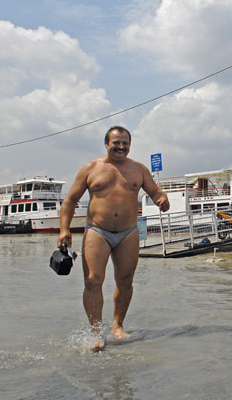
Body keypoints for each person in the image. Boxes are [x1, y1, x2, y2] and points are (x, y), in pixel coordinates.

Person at [58, 126, 170, 351]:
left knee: (125, 280)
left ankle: (117, 326)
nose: (121, 147)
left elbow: (155, 192)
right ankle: (96, 332)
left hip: (128, 232)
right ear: (106, 143)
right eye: (116, 143)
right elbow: (69, 200)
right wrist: (64, 230)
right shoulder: (91, 168)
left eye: (125, 143)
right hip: (97, 230)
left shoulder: (139, 169)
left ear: (130, 145)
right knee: (92, 280)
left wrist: (162, 199)